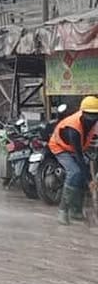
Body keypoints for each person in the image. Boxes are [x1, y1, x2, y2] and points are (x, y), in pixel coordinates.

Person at [48, 96, 98, 225]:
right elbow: (79, 156)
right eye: (89, 115)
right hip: (60, 147)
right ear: (83, 113)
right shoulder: (73, 127)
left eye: (95, 115)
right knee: (75, 172)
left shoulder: (95, 122)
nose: (92, 119)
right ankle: (63, 211)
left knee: (81, 176)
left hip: (80, 148)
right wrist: (89, 180)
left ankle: (76, 211)